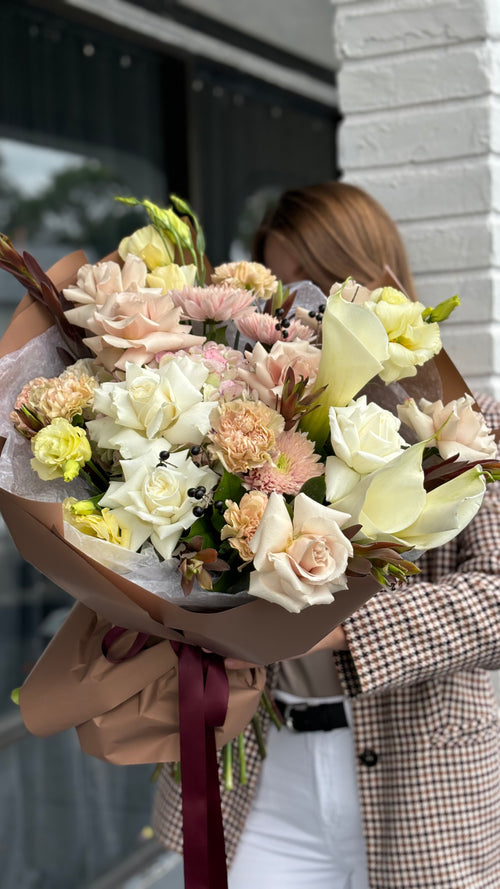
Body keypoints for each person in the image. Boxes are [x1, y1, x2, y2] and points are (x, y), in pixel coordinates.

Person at [153, 182, 500, 889]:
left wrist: (333, 625)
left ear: (380, 279)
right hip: (263, 769)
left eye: (323, 281)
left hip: (424, 777)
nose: (306, 307)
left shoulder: (465, 425)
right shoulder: (231, 422)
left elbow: (495, 598)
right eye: (286, 286)